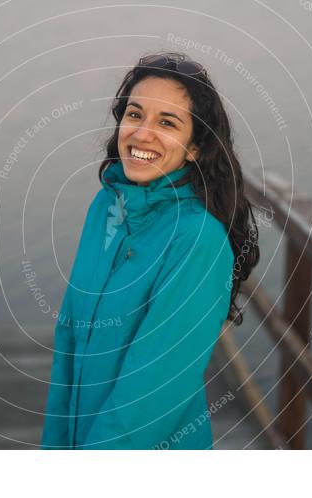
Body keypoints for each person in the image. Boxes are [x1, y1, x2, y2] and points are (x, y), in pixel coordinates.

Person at [41, 51, 260, 449]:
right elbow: (68, 344)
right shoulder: (106, 207)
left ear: (195, 148)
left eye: (167, 122)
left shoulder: (196, 240)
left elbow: (150, 397)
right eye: (135, 114)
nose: (142, 134)